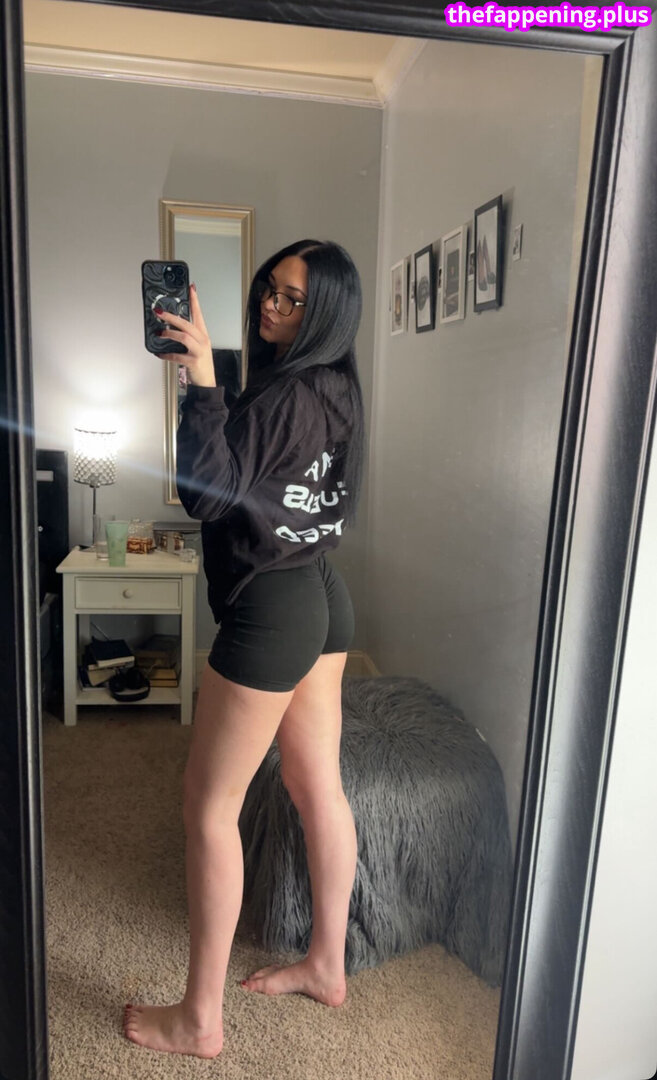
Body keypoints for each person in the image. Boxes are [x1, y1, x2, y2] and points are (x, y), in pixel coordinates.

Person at [124, 239, 365, 1058]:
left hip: (274, 603)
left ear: (324, 311)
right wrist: (214, 382)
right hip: (320, 589)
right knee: (316, 786)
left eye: (292, 298)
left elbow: (205, 495)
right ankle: (326, 965)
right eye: (270, 287)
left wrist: (200, 382)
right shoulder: (334, 385)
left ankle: (199, 1019)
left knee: (208, 805)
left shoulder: (285, 393)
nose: (270, 304)